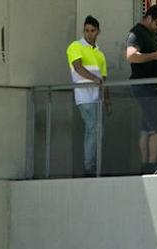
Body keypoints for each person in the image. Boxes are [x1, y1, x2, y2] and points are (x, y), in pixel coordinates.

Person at [127, 5, 157, 173]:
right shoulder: (137, 33)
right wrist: (155, 55)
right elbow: (131, 56)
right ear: (148, 18)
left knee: (147, 126)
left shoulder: (150, 34)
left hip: (154, 88)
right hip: (146, 87)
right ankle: (151, 165)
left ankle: (146, 165)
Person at [67, 16, 108, 176]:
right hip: (83, 96)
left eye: (92, 31)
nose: (89, 34)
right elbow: (77, 67)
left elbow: (104, 80)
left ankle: (94, 166)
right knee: (92, 128)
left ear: (98, 32)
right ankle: (89, 167)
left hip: (97, 98)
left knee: (98, 130)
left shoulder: (100, 53)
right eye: (86, 31)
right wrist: (94, 79)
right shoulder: (75, 46)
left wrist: (107, 100)